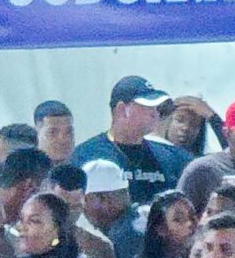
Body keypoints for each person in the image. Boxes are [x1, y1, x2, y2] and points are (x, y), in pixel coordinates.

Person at [74, 76, 182, 209]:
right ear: (121, 109)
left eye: (156, 107)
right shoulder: (85, 156)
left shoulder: (171, 157)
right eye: (147, 106)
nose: (155, 113)